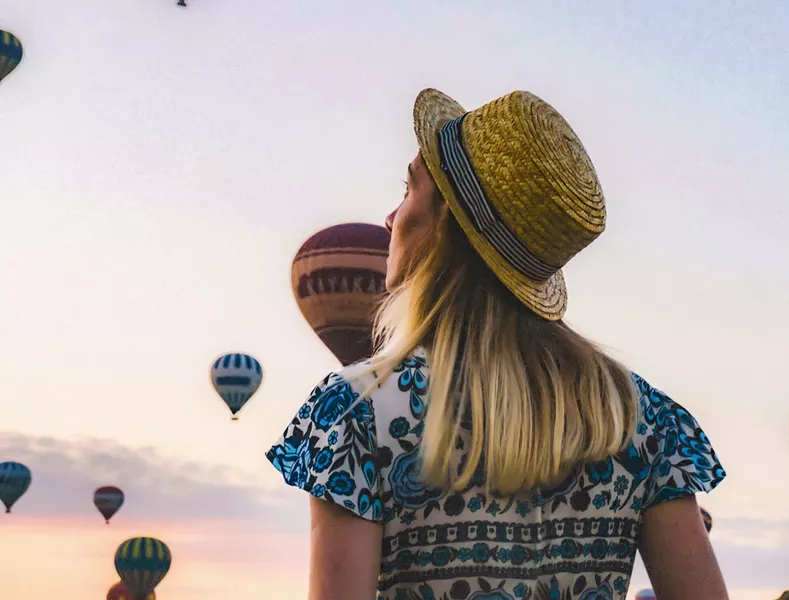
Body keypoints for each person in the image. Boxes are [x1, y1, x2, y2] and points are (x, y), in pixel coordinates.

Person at [266, 88, 729, 600]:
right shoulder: (641, 417)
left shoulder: (354, 413)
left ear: (445, 221)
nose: (391, 218)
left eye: (408, 189)